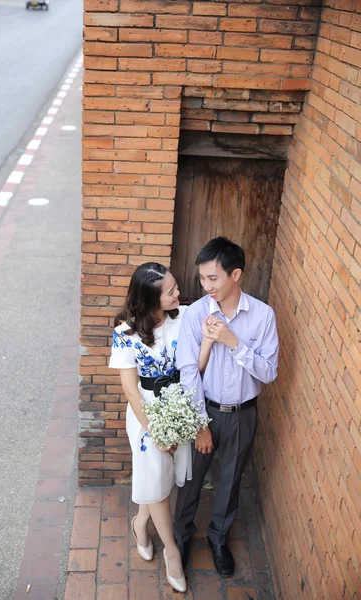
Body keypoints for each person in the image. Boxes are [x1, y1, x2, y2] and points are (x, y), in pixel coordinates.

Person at [174, 237, 279, 578]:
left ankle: (219, 539)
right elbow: (188, 371)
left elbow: (269, 372)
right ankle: (181, 537)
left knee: (230, 481)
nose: (206, 286)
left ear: (235, 274)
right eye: (202, 278)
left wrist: (234, 342)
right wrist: (201, 424)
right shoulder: (195, 314)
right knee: (191, 480)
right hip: (205, 411)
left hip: (243, 414)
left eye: (213, 278)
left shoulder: (262, 316)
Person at [108, 262, 210, 593]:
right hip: (146, 413)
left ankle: (140, 523)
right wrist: (155, 430)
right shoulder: (125, 332)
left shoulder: (185, 316)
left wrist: (210, 340)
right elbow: (129, 390)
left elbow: (196, 363)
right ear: (151, 297)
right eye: (171, 291)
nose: (179, 294)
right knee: (160, 486)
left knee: (160, 477)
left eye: (177, 287)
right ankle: (172, 551)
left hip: (178, 406)